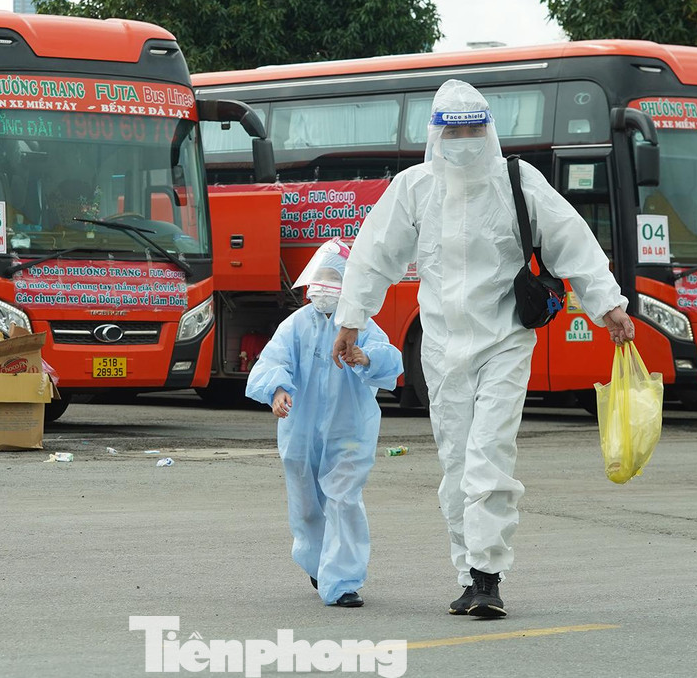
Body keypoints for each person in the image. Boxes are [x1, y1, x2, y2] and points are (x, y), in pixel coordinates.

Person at [330, 79, 635, 619]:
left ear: (489, 130)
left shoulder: (517, 181)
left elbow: (573, 241)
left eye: (475, 130)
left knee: (489, 455)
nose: (466, 141)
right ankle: (468, 574)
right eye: (456, 131)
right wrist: (351, 319)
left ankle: (489, 575)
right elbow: (374, 254)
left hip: (505, 341)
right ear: (437, 134)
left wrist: (607, 303)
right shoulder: (414, 188)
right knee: (456, 464)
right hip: (442, 348)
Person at [245, 239, 403, 608]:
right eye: (322, 277)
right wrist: (278, 390)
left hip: (349, 432)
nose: (324, 287)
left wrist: (366, 358)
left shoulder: (359, 326)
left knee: (344, 499)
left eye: (334, 278)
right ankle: (319, 565)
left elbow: (391, 360)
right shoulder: (296, 325)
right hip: (300, 432)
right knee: (306, 504)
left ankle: (344, 580)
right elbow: (272, 361)